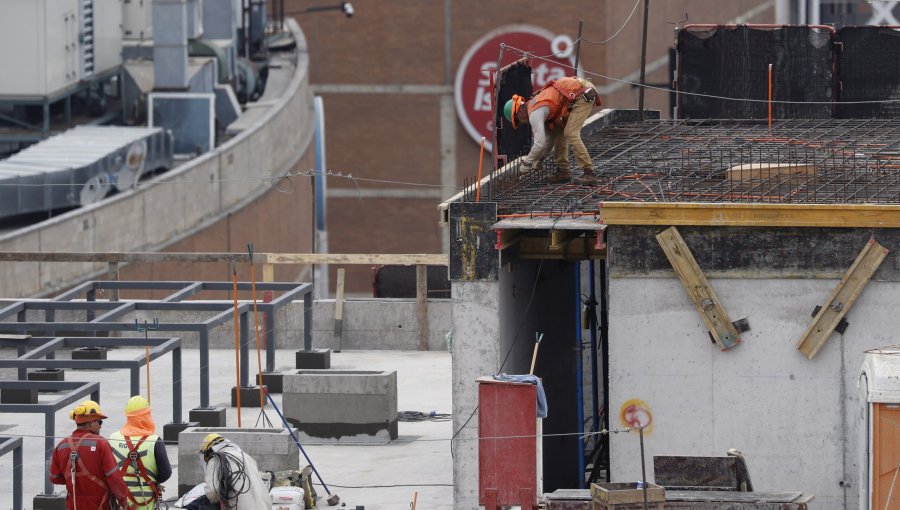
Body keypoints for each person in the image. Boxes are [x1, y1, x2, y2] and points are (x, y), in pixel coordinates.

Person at [503, 75, 603, 185]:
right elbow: (548, 142)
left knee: (571, 133)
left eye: (518, 120)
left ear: (518, 112)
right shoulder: (538, 109)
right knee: (558, 133)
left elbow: (539, 144)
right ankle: (564, 171)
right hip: (578, 92)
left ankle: (589, 173)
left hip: (584, 93)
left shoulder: (534, 113)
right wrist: (538, 160)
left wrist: (526, 164)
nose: (522, 122)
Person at [49, 400, 133, 510]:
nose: (100, 427)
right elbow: (114, 477)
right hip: (100, 506)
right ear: (90, 422)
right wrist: (123, 500)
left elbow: (54, 478)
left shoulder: (61, 446)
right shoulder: (100, 444)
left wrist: (75, 479)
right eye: (100, 422)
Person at [109, 396, 172, 510]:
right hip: (146, 503)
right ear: (146, 415)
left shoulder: (113, 438)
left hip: (120, 502)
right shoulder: (154, 441)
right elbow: (166, 473)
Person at [200, 433, 271, 509]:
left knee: (199, 505)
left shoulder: (215, 460)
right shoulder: (245, 456)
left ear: (208, 452)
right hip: (264, 506)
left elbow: (213, 493)